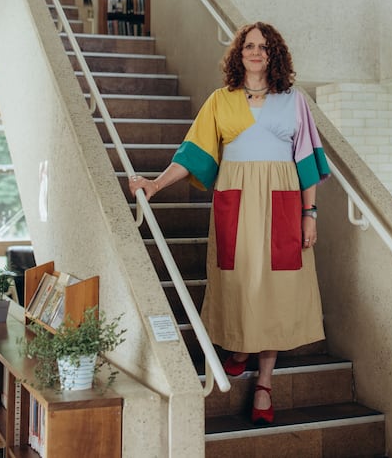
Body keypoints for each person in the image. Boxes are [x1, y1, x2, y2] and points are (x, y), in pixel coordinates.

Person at [129, 21, 329, 425]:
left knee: (275, 288)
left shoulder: (294, 101)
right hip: (235, 200)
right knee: (236, 282)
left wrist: (310, 214)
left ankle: (264, 385)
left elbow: (307, 163)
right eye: (249, 46)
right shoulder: (221, 100)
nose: (256, 52)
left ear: (275, 55)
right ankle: (239, 349)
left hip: (282, 202)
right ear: (239, 54)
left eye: (264, 46)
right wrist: (155, 184)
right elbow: (193, 155)